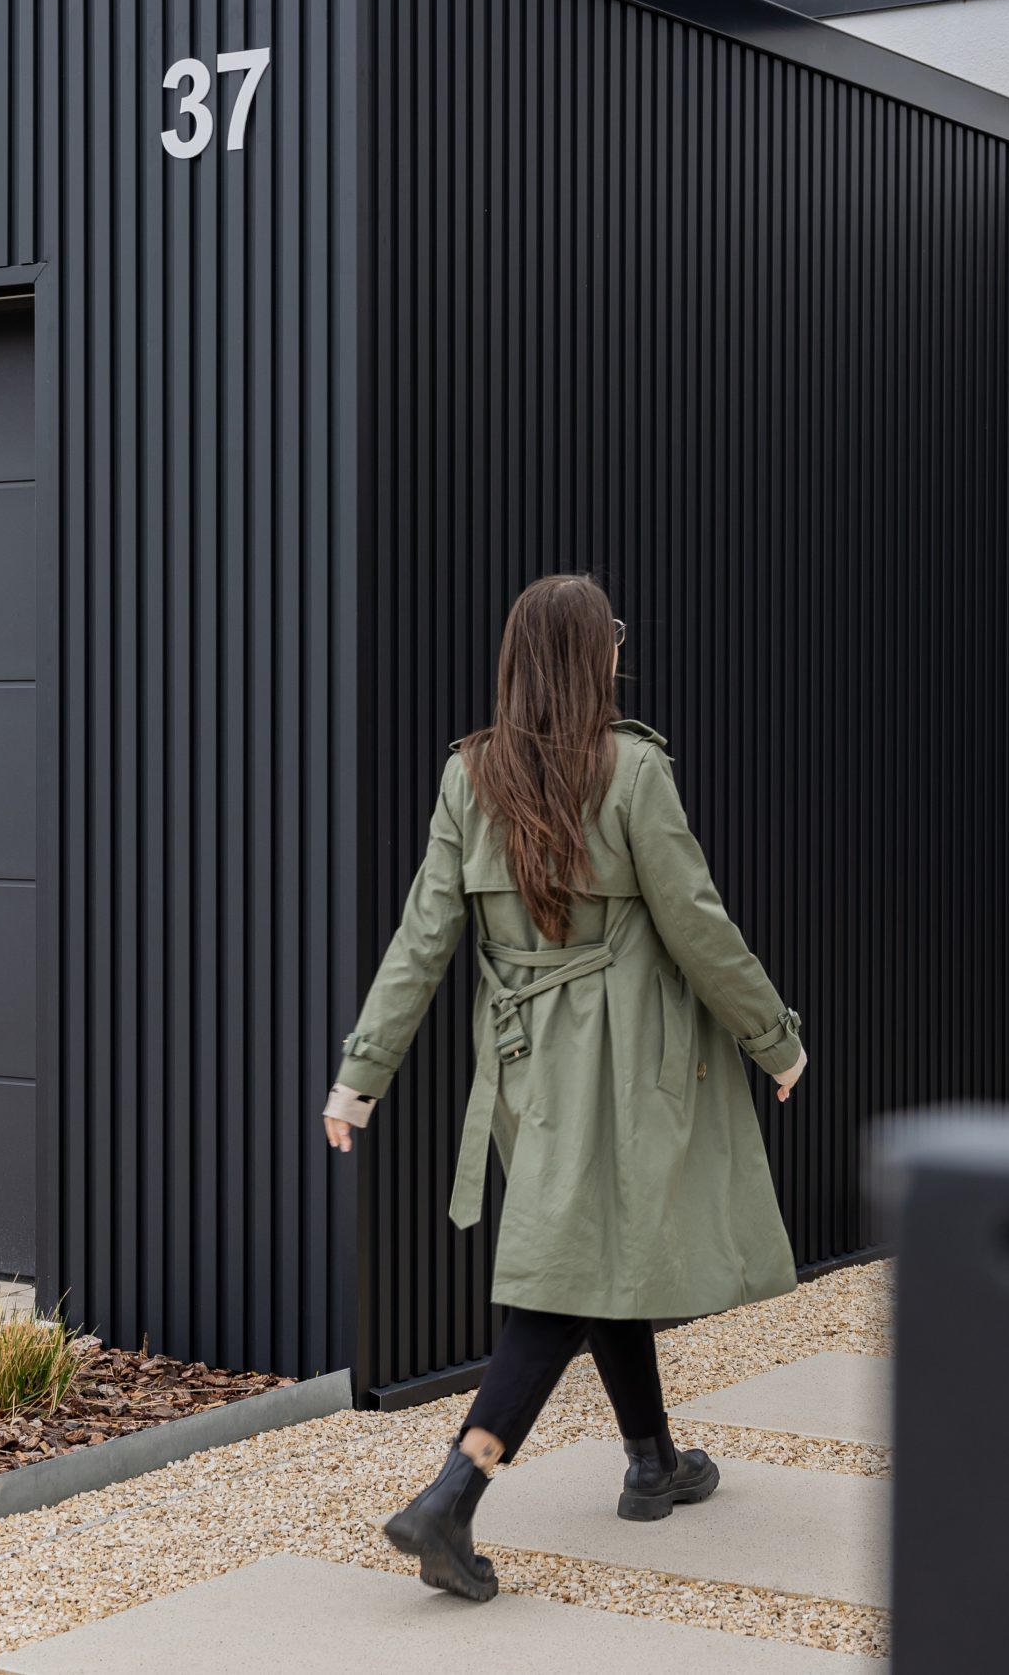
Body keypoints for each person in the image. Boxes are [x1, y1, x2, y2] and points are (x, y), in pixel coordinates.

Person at [322, 573, 809, 1603]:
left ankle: (652, 1459)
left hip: (521, 1065)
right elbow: (697, 922)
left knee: (592, 1247)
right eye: (613, 634)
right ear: (596, 656)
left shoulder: (468, 775)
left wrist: (359, 1077)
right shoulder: (633, 771)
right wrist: (775, 1040)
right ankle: (453, 1493)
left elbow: (422, 939)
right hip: (626, 1062)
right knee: (566, 1273)